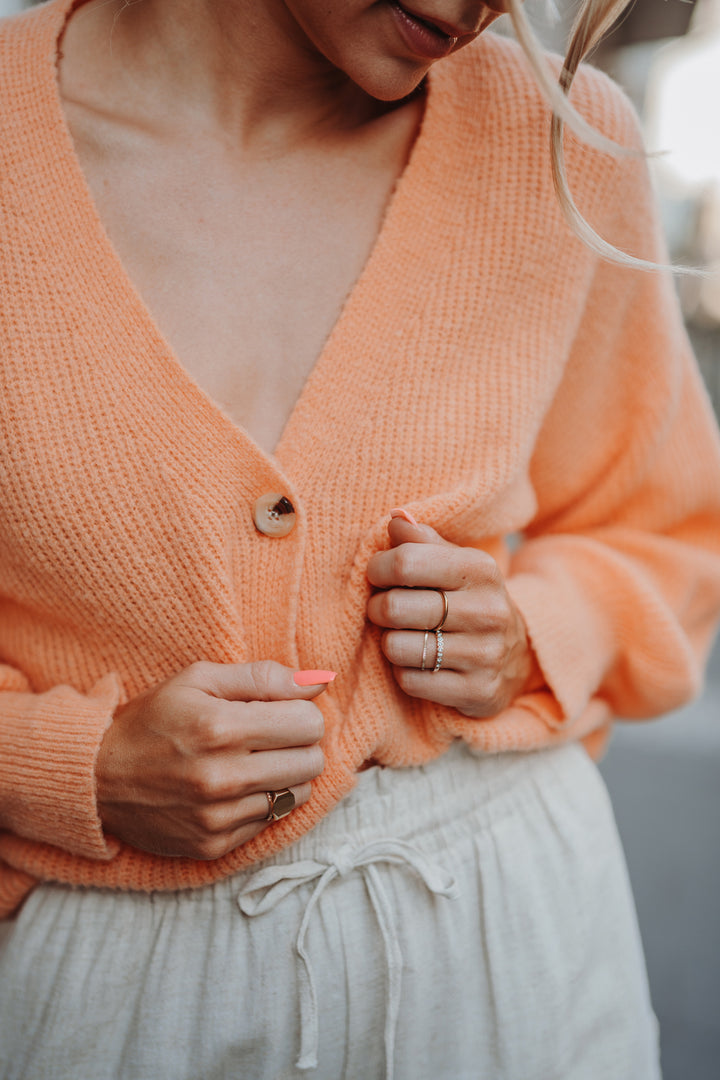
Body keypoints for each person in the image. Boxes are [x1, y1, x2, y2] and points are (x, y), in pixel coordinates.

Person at [1, 0, 719, 1077]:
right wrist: (74, 768)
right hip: (117, 983)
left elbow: (666, 531)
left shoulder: (564, 142)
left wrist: (533, 632)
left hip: (514, 942)